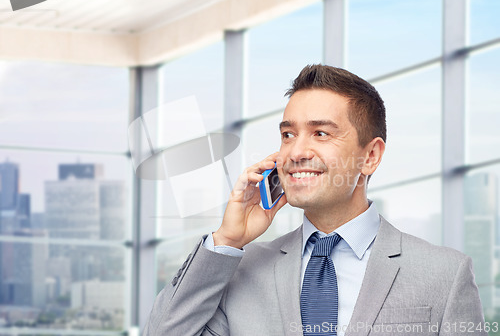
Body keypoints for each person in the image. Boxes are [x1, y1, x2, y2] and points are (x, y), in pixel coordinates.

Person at [143, 65, 486, 336]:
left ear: (370, 156)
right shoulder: (238, 271)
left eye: (321, 133)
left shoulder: (444, 274)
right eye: (288, 134)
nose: (296, 151)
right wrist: (227, 241)